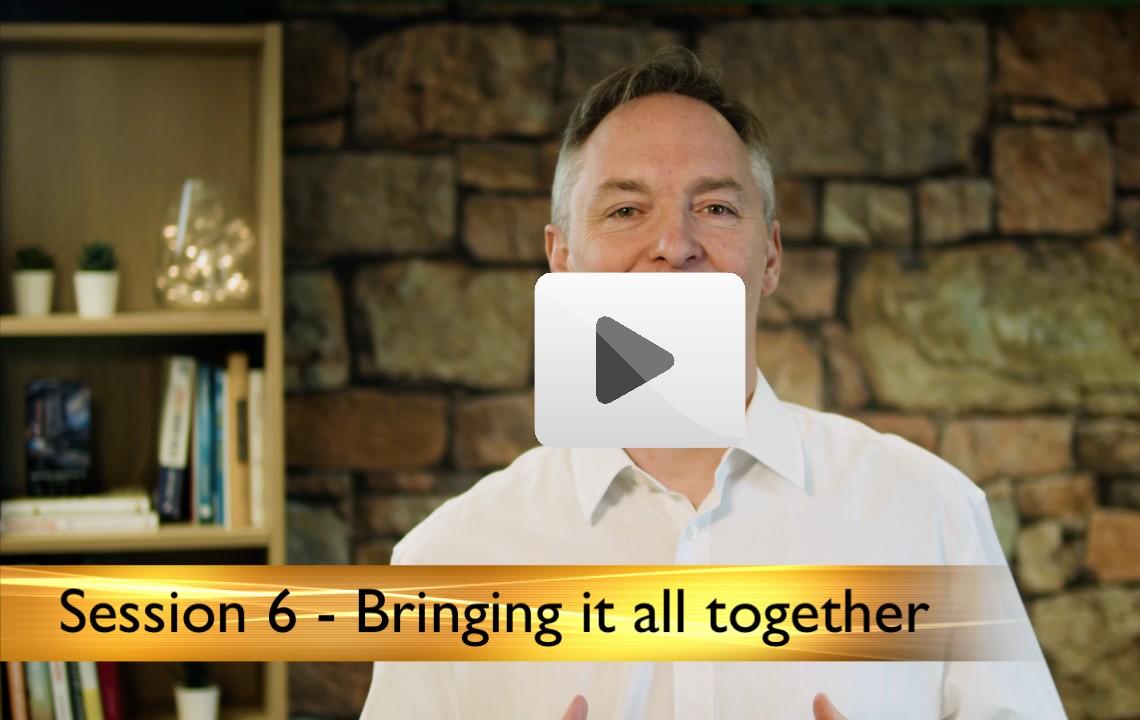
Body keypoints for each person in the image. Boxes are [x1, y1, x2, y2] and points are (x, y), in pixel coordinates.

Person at [360, 46, 1067, 719]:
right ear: (563, 259)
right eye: (626, 210)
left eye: (717, 208)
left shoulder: (932, 516)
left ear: (771, 258)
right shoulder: (443, 561)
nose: (675, 245)